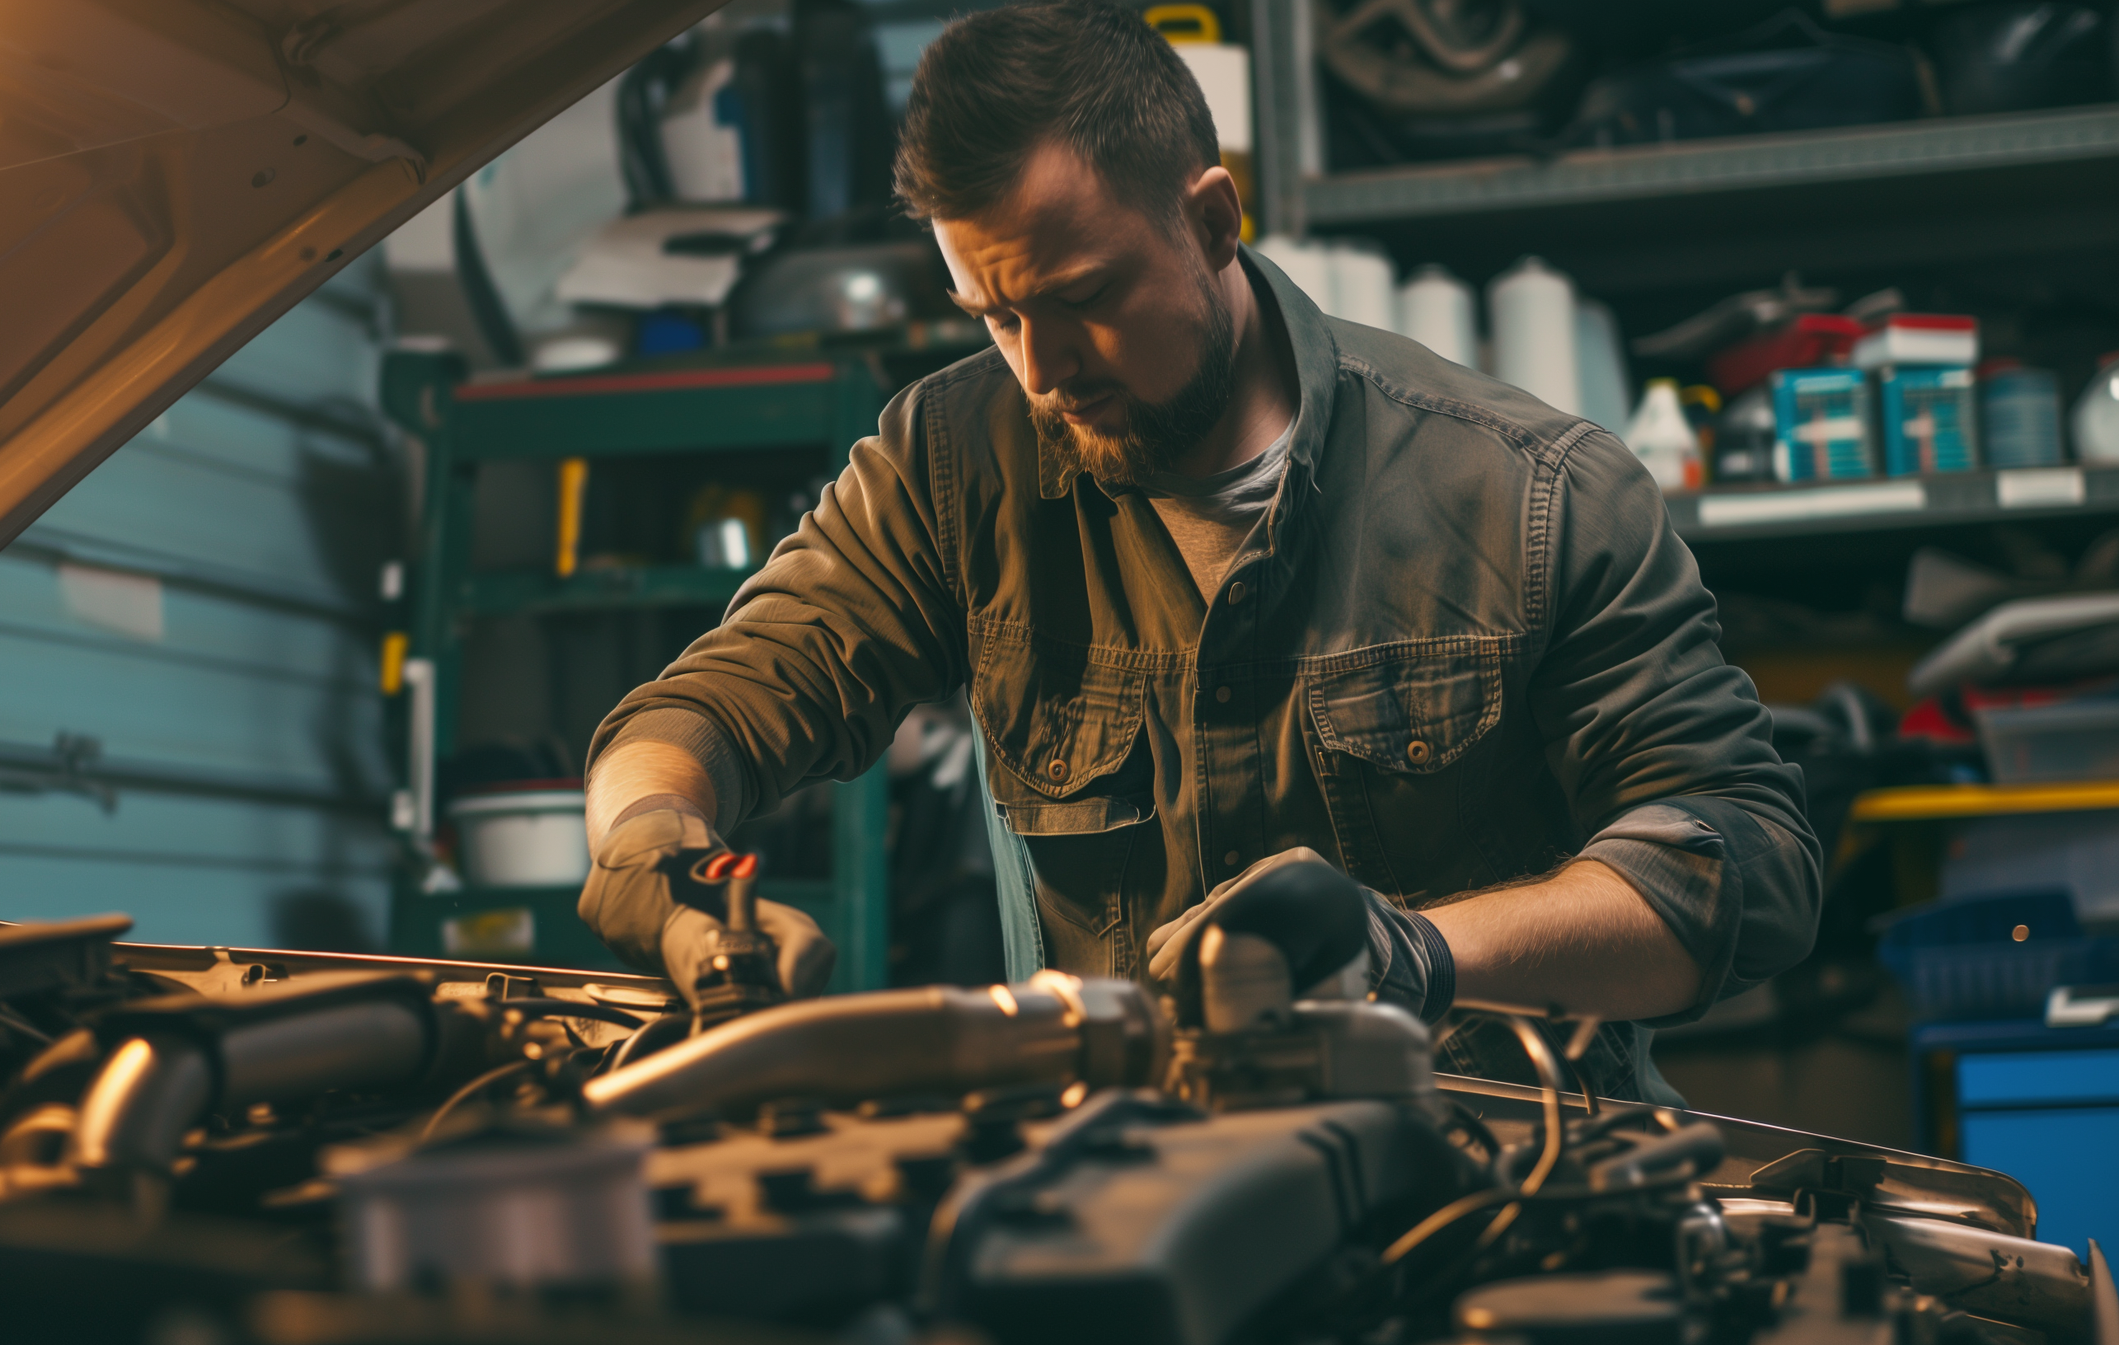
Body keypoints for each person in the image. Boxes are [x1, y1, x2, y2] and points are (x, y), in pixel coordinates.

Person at [576, 0, 1819, 1101]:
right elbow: (719, 699)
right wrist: (654, 846)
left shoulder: (1535, 493)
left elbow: (1741, 866)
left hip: (1490, 1202)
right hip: (1125, 1209)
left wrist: (1417, 954)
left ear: (1211, 217)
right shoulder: (952, 466)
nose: (1041, 369)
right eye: (995, 315)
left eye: (1083, 297)